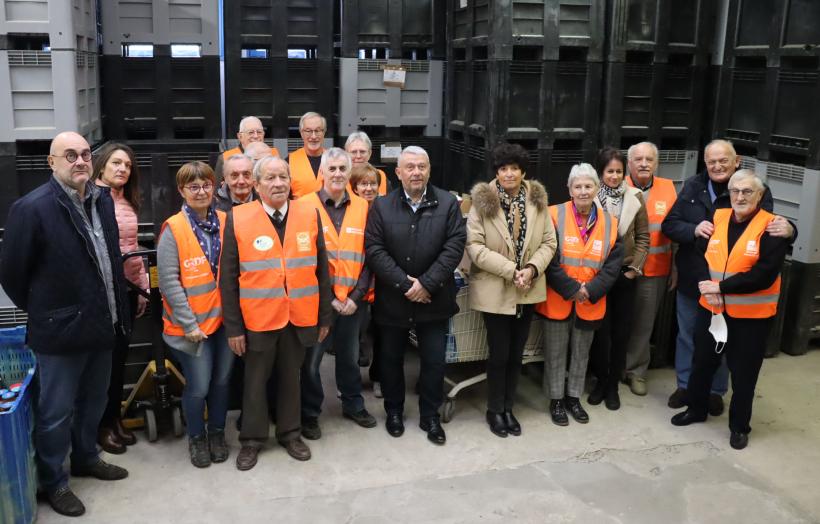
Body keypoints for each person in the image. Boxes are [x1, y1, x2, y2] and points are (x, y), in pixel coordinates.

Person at [0, 132, 130, 518]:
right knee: (56, 411)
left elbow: (108, 260)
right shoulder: (32, 208)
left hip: (102, 324)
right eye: (69, 155)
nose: (80, 161)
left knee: (95, 400)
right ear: (51, 162)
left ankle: (87, 456)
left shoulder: (101, 199)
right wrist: (47, 311)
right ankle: (53, 480)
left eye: (86, 154)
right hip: (59, 332)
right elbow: (12, 273)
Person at [662, 139, 794, 413]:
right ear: (705, 164)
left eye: (724, 160)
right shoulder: (693, 187)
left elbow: (771, 225)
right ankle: (687, 387)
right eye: (712, 161)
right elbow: (670, 224)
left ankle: (715, 392)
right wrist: (694, 229)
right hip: (695, 280)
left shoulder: (754, 188)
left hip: (735, 289)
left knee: (722, 342)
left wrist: (792, 229)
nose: (717, 166)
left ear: (737, 162)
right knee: (689, 337)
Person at [220, 156, 333, 468]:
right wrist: (234, 328)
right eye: (270, 178)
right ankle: (252, 440)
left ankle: (290, 433)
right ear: (257, 185)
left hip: (299, 316)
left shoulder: (309, 213)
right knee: (254, 382)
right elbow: (227, 279)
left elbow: (323, 270)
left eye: (283, 176)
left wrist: (324, 317)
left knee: (291, 378)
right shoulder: (238, 218)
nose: (279, 183)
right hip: (259, 318)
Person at [671, 170, 787, 450]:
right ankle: (696, 410)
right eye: (735, 191)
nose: (740, 196)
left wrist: (720, 288)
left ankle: (739, 427)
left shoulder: (772, 227)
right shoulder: (718, 217)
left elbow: (764, 274)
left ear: (760, 196)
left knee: (744, 373)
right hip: (711, 309)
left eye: (747, 191)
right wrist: (705, 284)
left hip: (751, 318)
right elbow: (696, 253)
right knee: (702, 362)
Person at [365, 146, 466, 445]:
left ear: (429, 170)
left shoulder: (448, 203)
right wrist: (406, 285)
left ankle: (430, 416)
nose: (416, 172)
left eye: (421, 166)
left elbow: (454, 246)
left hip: (434, 300)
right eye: (409, 167)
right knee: (391, 359)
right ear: (397, 172)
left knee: (434, 361)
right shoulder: (382, 206)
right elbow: (374, 249)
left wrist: (427, 284)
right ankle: (394, 412)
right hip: (393, 300)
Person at [466, 143, 557, 438]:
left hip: (528, 287)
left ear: (523, 171)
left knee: (518, 354)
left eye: (514, 168)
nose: (509, 174)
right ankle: (495, 410)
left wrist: (530, 269)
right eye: (503, 168)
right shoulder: (481, 202)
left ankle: (509, 408)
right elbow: (475, 248)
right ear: (496, 171)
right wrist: (510, 271)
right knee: (499, 354)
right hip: (495, 289)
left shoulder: (537, 200)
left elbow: (549, 242)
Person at [158, 161, 234, 468]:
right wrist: (189, 324)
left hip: (226, 323)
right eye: (193, 186)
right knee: (199, 386)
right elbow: (168, 281)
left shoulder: (228, 221)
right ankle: (197, 437)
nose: (201, 191)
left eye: (206, 185)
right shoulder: (173, 228)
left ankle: (217, 433)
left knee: (221, 383)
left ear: (214, 188)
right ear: (182, 191)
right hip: (194, 328)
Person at [535, 163, 623, 427]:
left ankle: (574, 397)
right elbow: (546, 256)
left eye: (588, 186)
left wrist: (590, 291)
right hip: (559, 297)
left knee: (582, 353)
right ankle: (556, 401)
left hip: (590, 301)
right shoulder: (553, 215)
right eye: (578, 186)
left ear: (597, 188)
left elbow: (613, 264)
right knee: (555, 352)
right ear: (569, 189)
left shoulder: (611, 222)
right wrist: (572, 289)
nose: (583, 191)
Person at [298, 148, 377, 439]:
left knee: (349, 356)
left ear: (349, 172)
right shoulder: (303, 206)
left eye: (343, 169)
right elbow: (302, 259)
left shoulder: (362, 207)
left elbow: (370, 257)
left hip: (353, 304)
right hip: (319, 303)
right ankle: (309, 413)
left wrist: (355, 297)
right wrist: (330, 297)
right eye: (331, 169)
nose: (337, 174)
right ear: (322, 173)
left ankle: (353, 404)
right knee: (311, 362)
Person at [91, 143, 147, 455]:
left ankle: (114, 419)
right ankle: (101, 424)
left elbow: (133, 248)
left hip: (127, 290)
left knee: (119, 360)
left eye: (127, 165)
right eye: (116, 163)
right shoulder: (90, 199)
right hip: (101, 295)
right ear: (101, 165)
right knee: (103, 364)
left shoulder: (126, 201)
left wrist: (141, 289)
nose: (122, 169)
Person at [587, 147, 650, 410]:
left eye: (619, 171)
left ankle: (613, 385)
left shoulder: (635, 197)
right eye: (609, 171)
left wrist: (634, 269)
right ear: (600, 173)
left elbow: (644, 239)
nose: (614, 176)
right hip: (599, 276)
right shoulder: (589, 197)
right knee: (600, 334)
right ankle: (600, 381)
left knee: (621, 333)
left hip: (625, 276)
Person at [623, 141, 677, 396]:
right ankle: (609, 369)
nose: (644, 164)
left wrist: (675, 267)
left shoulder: (669, 188)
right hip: (620, 270)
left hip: (654, 270)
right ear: (629, 163)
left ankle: (636, 372)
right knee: (615, 322)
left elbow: (675, 232)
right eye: (638, 159)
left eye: (649, 160)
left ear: (657, 163)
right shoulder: (616, 185)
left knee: (644, 325)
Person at [350, 163, 383, 395]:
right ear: (354, 187)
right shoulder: (351, 212)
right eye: (363, 184)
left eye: (373, 184)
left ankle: (378, 377)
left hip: (382, 285)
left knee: (382, 336)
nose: (368, 188)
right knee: (355, 337)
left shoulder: (386, 210)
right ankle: (351, 382)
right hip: (358, 285)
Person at [214, 116, 280, 179]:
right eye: (251, 132)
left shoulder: (274, 153)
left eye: (259, 132)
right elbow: (217, 189)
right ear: (240, 136)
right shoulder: (225, 158)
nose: (256, 136)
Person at [289, 112, 327, 198]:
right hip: (299, 211)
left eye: (317, 131)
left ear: (324, 133)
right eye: (308, 131)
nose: (313, 136)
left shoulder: (334, 160)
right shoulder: (289, 161)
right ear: (301, 133)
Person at [345, 131, 388, 195]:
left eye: (362, 152)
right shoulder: (339, 177)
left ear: (370, 153)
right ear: (346, 153)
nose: (358, 156)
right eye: (354, 152)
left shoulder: (380, 176)